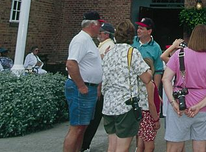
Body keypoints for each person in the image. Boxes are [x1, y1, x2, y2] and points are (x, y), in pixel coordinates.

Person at [161, 24, 206, 152]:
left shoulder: (180, 54)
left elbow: (165, 79)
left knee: (174, 147)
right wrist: (199, 106)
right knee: (200, 148)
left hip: (180, 104)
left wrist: (173, 102)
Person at [100, 20, 157, 152]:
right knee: (123, 147)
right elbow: (146, 78)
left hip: (108, 105)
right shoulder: (132, 52)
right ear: (131, 35)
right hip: (125, 105)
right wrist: (148, 70)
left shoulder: (108, 53)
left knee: (112, 146)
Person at [62, 11, 104, 152]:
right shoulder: (80, 40)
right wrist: (81, 86)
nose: (100, 28)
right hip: (81, 88)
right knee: (77, 127)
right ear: (93, 25)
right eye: (99, 24)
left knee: (82, 127)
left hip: (88, 88)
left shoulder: (88, 40)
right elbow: (71, 63)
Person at [81, 21, 116, 152]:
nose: (98, 34)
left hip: (100, 88)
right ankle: (84, 144)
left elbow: (104, 68)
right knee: (92, 117)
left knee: (94, 118)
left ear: (106, 34)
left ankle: (85, 145)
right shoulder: (102, 45)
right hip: (98, 86)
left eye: (101, 32)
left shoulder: (109, 46)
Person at [136, 57, 162, 152]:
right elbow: (151, 104)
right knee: (150, 146)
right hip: (148, 115)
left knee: (140, 143)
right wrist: (156, 120)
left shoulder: (138, 83)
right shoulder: (149, 84)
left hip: (140, 113)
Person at [133, 17, 164, 89]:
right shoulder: (131, 41)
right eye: (138, 28)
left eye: (141, 29)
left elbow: (158, 71)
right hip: (130, 85)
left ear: (149, 31)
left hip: (146, 86)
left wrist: (155, 91)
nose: (138, 30)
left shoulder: (156, 47)